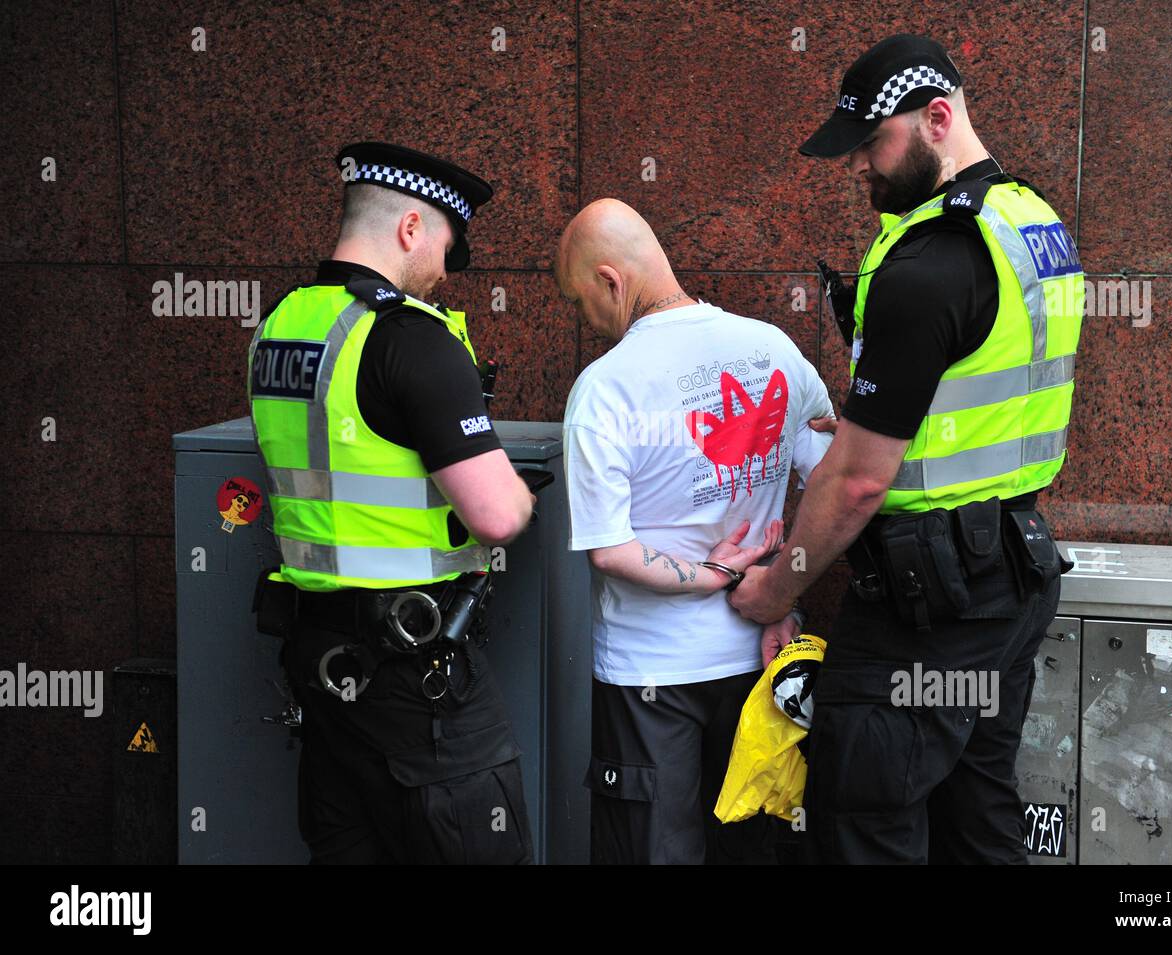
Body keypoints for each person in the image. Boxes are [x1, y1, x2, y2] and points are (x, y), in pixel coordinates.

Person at [728, 35, 1083, 864]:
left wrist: (776, 592)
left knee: (865, 814)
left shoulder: (932, 259)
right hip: (1009, 582)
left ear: (936, 118)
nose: (857, 166)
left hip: (930, 609)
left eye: (869, 143)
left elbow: (855, 485)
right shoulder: (1030, 220)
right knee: (976, 808)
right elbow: (991, 383)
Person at [246, 141, 536, 864]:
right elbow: (496, 516)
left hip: (322, 670)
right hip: (416, 680)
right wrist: (522, 495)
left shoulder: (280, 327)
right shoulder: (409, 336)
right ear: (410, 228)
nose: (442, 272)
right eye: (445, 246)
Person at [555, 198, 835, 864]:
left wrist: (716, 573)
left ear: (610, 281)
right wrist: (781, 591)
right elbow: (834, 481)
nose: (585, 320)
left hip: (647, 678)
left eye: (579, 300)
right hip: (758, 666)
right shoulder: (774, 348)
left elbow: (610, 550)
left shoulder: (603, 389)